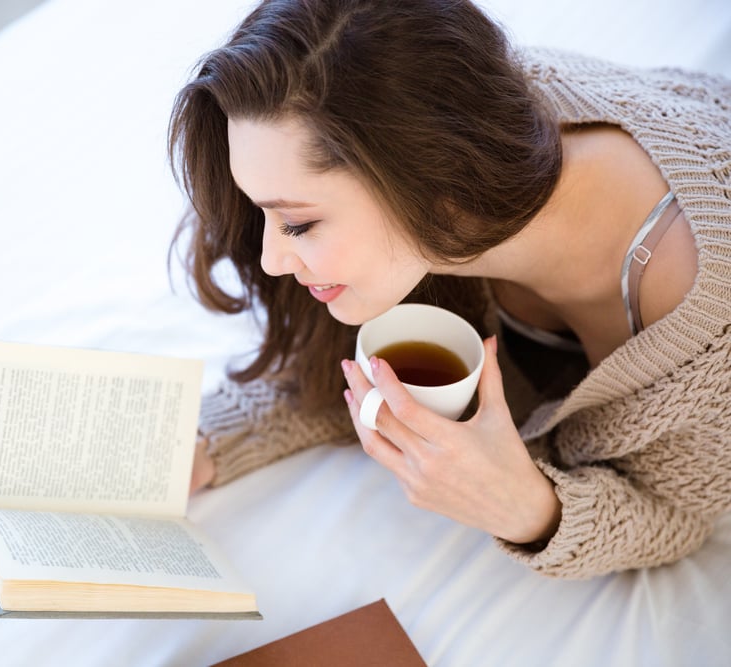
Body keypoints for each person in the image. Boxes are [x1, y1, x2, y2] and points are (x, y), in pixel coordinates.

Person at [167, 0, 731, 578]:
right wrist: (207, 444)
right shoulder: (448, 127)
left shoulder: (711, 336)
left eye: (300, 224)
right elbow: (362, 370)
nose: (272, 259)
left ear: (434, 181)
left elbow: (679, 512)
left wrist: (533, 510)